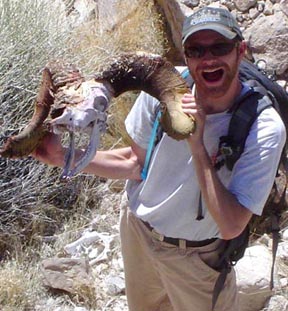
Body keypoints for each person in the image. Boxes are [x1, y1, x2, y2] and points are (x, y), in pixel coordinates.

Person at [33, 6, 286, 311]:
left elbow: (232, 225)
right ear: (186, 54)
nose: (208, 60)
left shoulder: (263, 127)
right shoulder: (163, 88)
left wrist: (197, 143)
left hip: (195, 259)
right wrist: (64, 157)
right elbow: (136, 164)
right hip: (139, 234)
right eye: (196, 50)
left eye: (220, 47)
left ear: (240, 50)